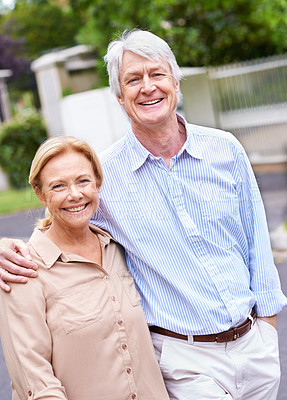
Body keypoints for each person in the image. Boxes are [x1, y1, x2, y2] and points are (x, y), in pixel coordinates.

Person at [1, 29, 287, 399]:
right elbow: (60, 220)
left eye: (156, 74)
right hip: (187, 362)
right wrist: (6, 247)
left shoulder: (225, 149)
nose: (147, 87)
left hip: (257, 349)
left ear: (175, 82)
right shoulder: (104, 176)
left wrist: (267, 326)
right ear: (119, 96)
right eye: (133, 79)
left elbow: (257, 241)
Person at [0, 136, 169, 400]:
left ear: (98, 183)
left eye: (83, 181)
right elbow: (34, 378)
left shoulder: (119, 247)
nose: (75, 194)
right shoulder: (23, 269)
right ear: (40, 193)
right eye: (58, 186)